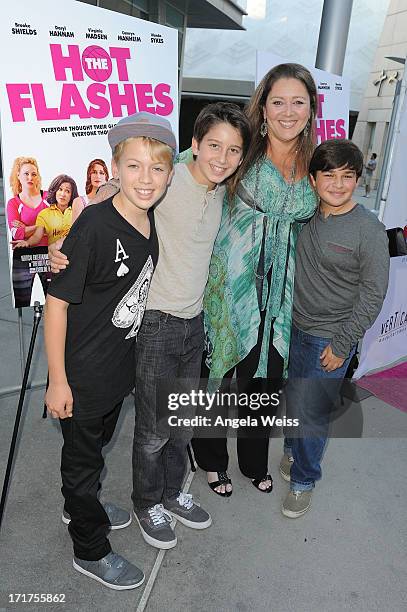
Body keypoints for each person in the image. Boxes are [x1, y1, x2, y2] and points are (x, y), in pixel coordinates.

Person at [49, 102, 251, 549]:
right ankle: (146, 504)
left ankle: (170, 493)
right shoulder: (168, 178)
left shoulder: (222, 191)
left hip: (194, 322)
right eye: (213, 145)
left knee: (182, 423)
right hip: (155, 322)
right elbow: (110, 198)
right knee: (154, 429)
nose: (221, 157)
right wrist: (65, 239)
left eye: (233, 150)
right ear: (193, 146)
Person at [43, 112, 176, 589]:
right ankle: (90, 548)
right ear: (115, 167)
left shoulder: (151, 219)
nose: (146, 179)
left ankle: (78, 504)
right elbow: (56, 304)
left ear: (169, 174)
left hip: (117, 368)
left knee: (93, 451)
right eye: (134, 166)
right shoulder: (96, 224)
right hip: (81, 373)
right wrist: (57, 380)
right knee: (81, 463)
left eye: (157, 168)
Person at [192, 63, 318, 496]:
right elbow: (182, 168)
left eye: (297, 102)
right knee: (219, 378)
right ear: (262, 108)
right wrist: (110, 190)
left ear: (310, 109)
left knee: (264, 380)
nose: (287, 111)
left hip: (283, 297)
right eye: (278, 101)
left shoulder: (316, 165)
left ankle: (252, 462)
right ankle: (209, 460)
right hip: (229, 290)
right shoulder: (241, 152)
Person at [280, 139, 389, 518]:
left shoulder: (368, 230)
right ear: (313, 180)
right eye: (329, 174)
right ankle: (293, 451)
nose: (338, 184)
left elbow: (374, 295)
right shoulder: (304, 215)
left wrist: (343, 344)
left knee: (313, 414)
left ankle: (304, 480)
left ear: (358, 180)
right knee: (294, 398)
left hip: (330, 338)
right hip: (293, 328)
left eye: (347, 176)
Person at [6, 157, 50, 307]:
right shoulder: (13, 203)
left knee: (55, 301)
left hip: (48, 253)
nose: (30, 177)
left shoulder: (48, 197)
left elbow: (56, 227)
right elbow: (16, 233)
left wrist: (26, 227)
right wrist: (41, 226)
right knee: (22, 300)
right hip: (23, 255)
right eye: (26, 174)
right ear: (18, 175)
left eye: (34, 174)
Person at [13, 174, 78, 248]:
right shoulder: (44, 214)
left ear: (72, 195)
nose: (63, 194)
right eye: (60, 189)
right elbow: (37, 237)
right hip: (53, 256)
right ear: (55, 191)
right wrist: (27, 243)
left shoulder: (77, 212)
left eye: (67, 191)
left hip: (75, 255)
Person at [71, 158, 109, 223]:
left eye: (101, 173)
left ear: (106, 178)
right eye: (94, 172)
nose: (98, 176)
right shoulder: (79, 202)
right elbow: (75, 231)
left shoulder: (112, 201)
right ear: (89, 176)